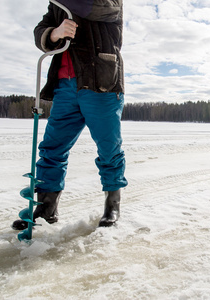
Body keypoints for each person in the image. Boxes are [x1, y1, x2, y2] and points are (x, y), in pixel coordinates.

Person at [12, 0, 127, 230]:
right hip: (65, 84)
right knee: (52, 147)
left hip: (100, 83)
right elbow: (40, 30)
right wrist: (54, 33)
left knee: (109, 148)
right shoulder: (57, 4)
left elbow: (101, 9)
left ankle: (112, 205)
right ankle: (47, 205)